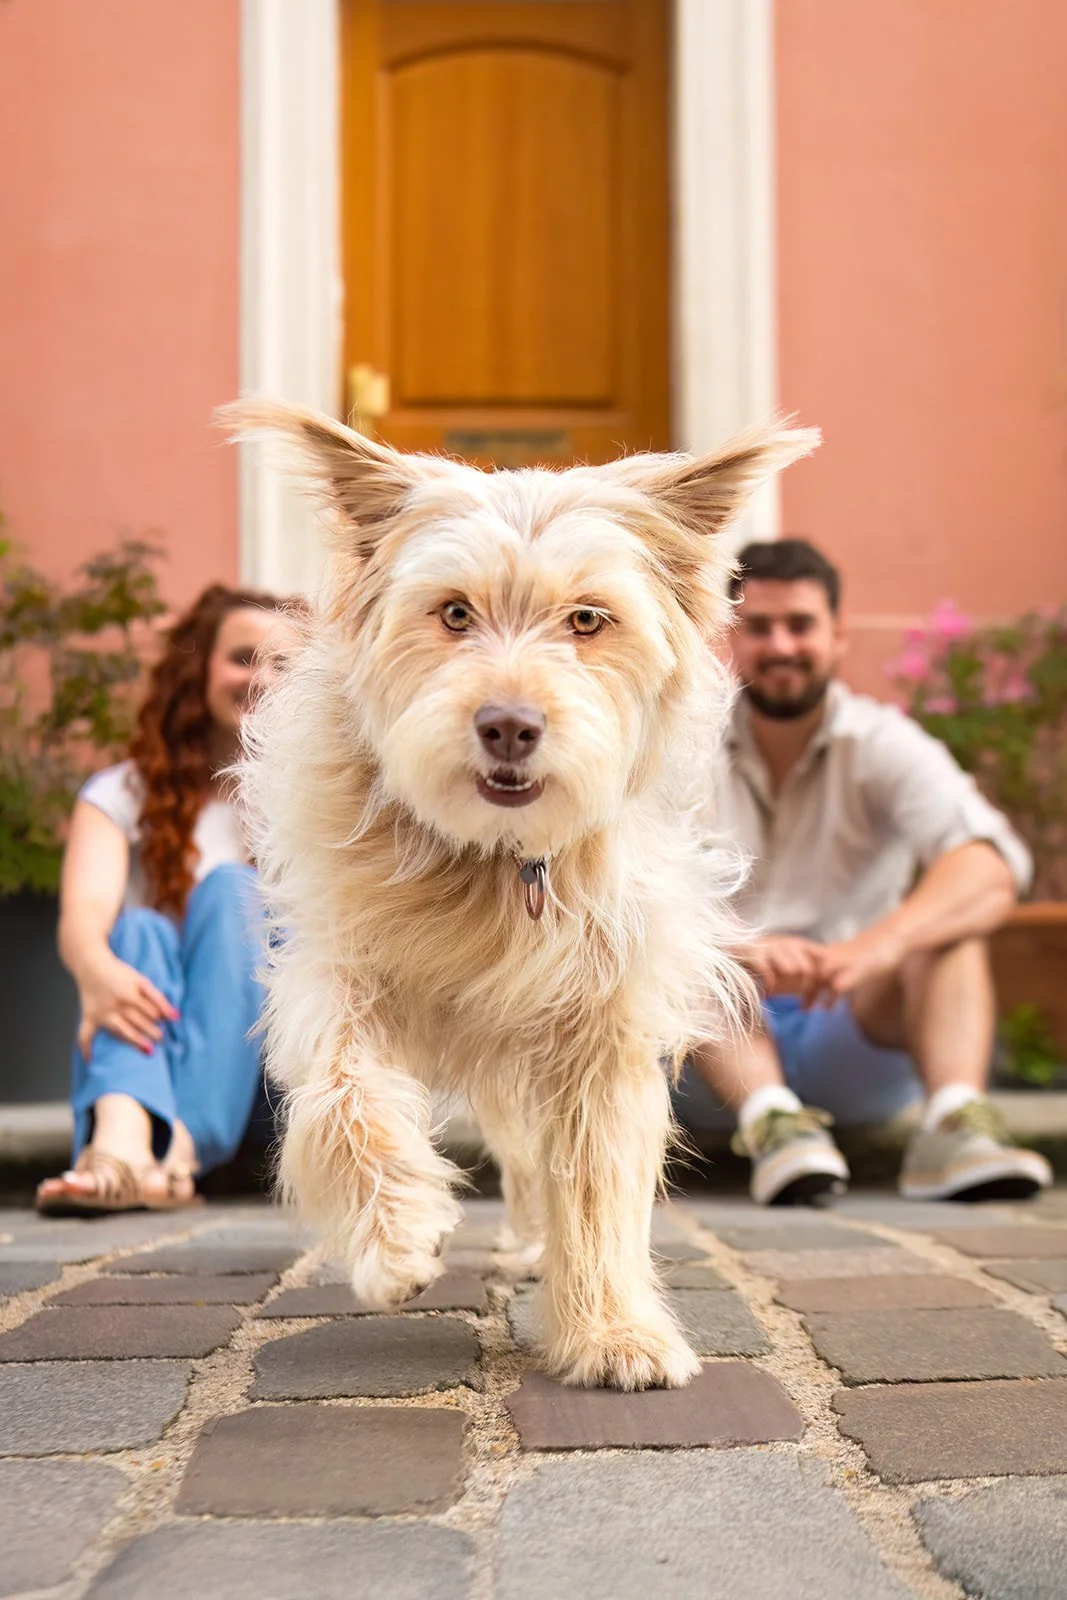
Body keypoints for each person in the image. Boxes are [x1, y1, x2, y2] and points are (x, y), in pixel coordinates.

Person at [680, 538, 1053, 1206]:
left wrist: (866, 951)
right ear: (731, 636)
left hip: (848, 1032)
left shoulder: (882, 742)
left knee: (949, 928)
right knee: (676, 954)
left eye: (800, 625)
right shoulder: (679, 745)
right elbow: (624, 884)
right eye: (759, 627)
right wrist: (738, 950)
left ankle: (954, 1129)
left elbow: (991, 864)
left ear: (837, 636)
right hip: (710, 1051)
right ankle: (772, 1126)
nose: (781, 646)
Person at [36, 583, 302, 1215]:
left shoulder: (315, 804)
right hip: (151, 1068)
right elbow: (82, 922)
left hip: (266, 1095)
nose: (260, 677)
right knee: (135, 935)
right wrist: (98, 975)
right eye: (242, 657)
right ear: (200, 667)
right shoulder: (121, 794)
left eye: (283, 664)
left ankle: (171, 1151)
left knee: (231, 889)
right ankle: (126, 1146)